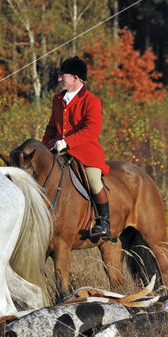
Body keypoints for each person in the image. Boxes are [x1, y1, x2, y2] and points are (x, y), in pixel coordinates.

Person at [42, 56, 111, 239]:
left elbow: (92, 129)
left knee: (94, 180)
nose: (58, 79)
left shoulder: (91, 100)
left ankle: (104, 222)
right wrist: (43, 149)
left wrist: (68, 142)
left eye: (62, 76)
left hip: (85, 153)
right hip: (58, 151)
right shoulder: (57, 99)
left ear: (75, 78)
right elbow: (51, 127)